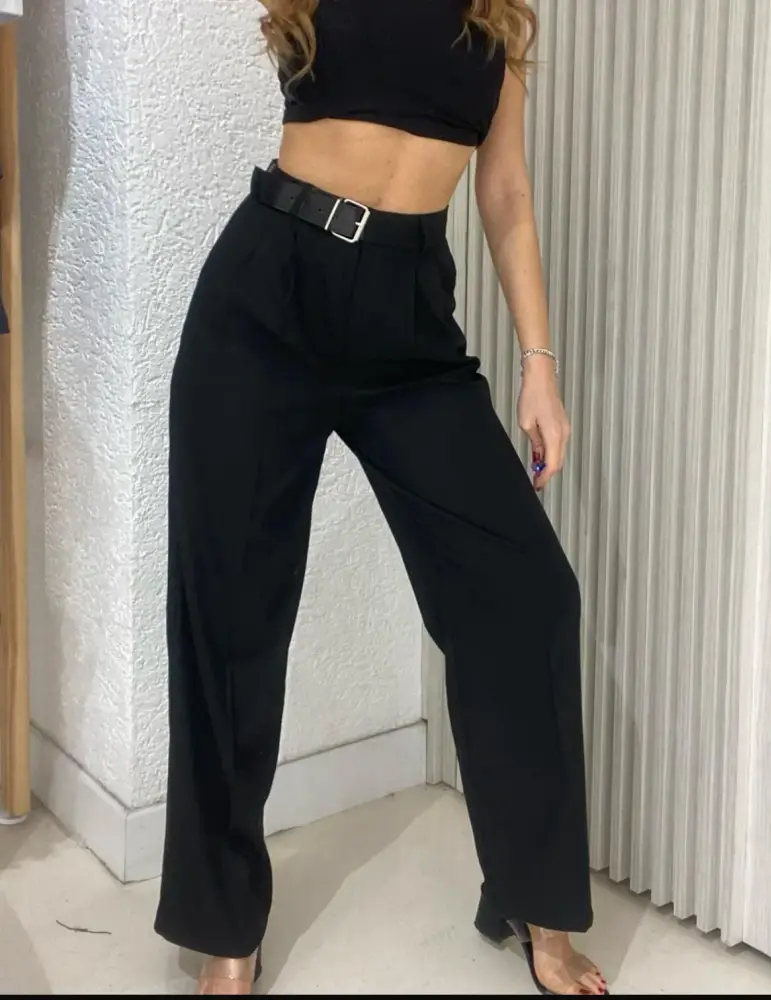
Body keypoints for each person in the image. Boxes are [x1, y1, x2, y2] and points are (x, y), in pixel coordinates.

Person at [153, 1, 608, 995]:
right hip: (265, 297)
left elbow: (505, 189)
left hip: (409, 322)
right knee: (229, 615)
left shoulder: (498, 16)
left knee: (527, 597)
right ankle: (224, 925)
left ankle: (535, 901)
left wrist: (539, 365)